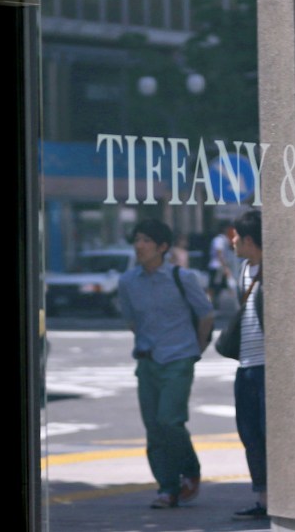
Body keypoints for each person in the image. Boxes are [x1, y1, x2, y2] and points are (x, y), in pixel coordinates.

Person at [118, 218, 215, 509]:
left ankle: (191, 469)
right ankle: (167, 488)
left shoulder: (182, 277)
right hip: (147, 361)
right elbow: (132, 320)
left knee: (170, 421)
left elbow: (206, 314)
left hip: (178, 359)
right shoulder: (127, 282)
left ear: (162, 247)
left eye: (146, 240)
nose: (139, 245)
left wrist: (195, 348)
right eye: (137, 240)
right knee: (154, 428)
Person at [223, 209, 267, 519]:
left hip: (268, 365)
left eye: (236, 236)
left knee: (269, 434)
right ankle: (263, 499)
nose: (232, 242)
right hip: (246, 365)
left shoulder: (274, 270)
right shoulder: (243, 271)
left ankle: (279, 498)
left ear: (248, 239)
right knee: (249, 433)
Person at [207, 222, 235, 308]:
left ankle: (215, 302)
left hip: (219, 267)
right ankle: (209, 302)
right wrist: (225, 266)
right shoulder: (219, 239)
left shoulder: (223, 239)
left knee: (218, 286)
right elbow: (219, 253)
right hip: (217, 267)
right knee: (214, 286)